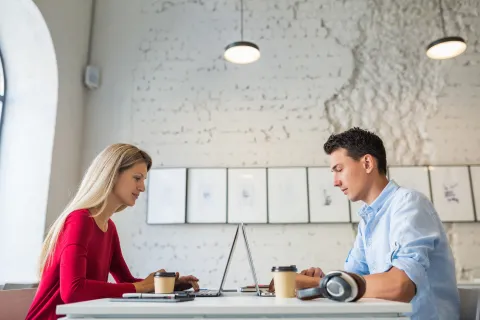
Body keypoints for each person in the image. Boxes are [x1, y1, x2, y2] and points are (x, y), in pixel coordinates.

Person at [300, 128, 460, 320]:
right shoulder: (369, 220)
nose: (335, 182)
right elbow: (355, 281)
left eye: (339, 169)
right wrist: (324, 280)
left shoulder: (408, 203)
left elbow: (400, 287)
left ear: (367, 163)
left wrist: (322, 284)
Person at [26, 143, 199, 320]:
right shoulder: (80, 220)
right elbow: (73, 291)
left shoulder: (109, 228)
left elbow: (126, 282)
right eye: (137, 178)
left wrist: (166, 285)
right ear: (113, 175)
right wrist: (143, 286)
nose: (142, 187)